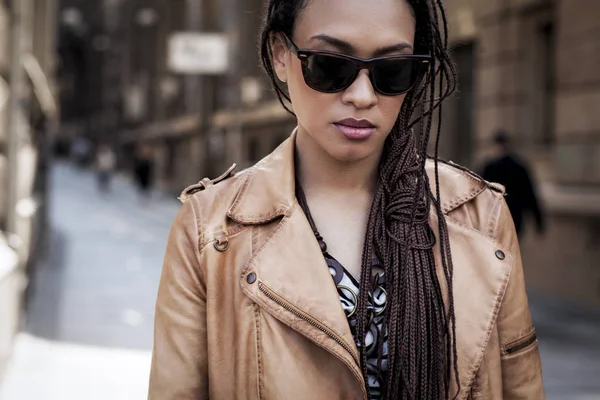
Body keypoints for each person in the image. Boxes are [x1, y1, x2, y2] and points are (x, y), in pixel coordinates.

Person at [149, 1, 545, 399]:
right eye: (330, 65)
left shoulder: (481, 217)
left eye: (392, 72)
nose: (361, 96)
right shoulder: (210, 231)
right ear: (281, 55)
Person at [482, 131, 545, 237]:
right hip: (514, 217)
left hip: (495, 216)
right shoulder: (519, 166)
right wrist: (538, 219)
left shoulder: (490, 167)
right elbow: (530, 194)